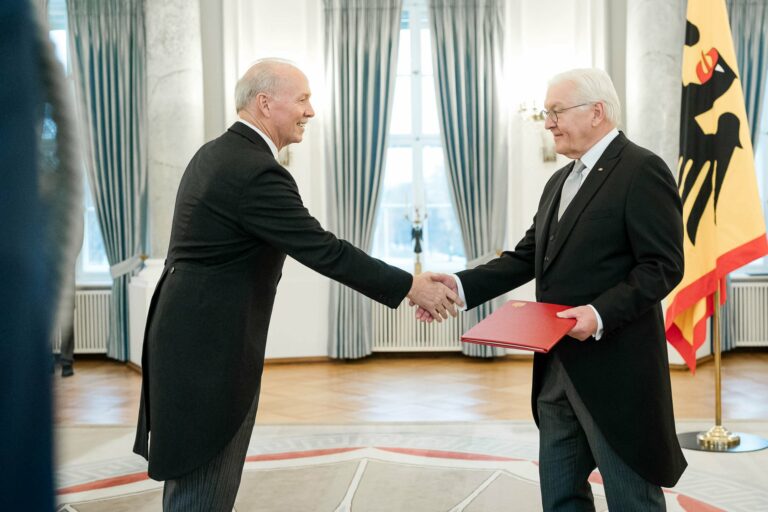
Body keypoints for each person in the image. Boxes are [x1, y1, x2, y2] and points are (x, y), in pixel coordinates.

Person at [133, 58, 461, 511]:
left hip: (189, 338)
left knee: (194, 479)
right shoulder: (256, 170)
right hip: (210, 350)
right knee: (205, 484)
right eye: (303, 99)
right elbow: (324, 249)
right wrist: (412, 286)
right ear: (265, 103)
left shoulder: (217, 153)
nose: (311, 111)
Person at [417, 68, 687, 510]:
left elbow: (662, 266)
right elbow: (527, 256)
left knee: (631, 498)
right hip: (555, 366)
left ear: (597, 112)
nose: (547, 123)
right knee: (560, 494)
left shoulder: (641, 169)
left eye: (556, 112)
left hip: (615, 368)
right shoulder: (559, 181)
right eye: (546, 113)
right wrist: (459, 286)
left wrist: (597, 314)